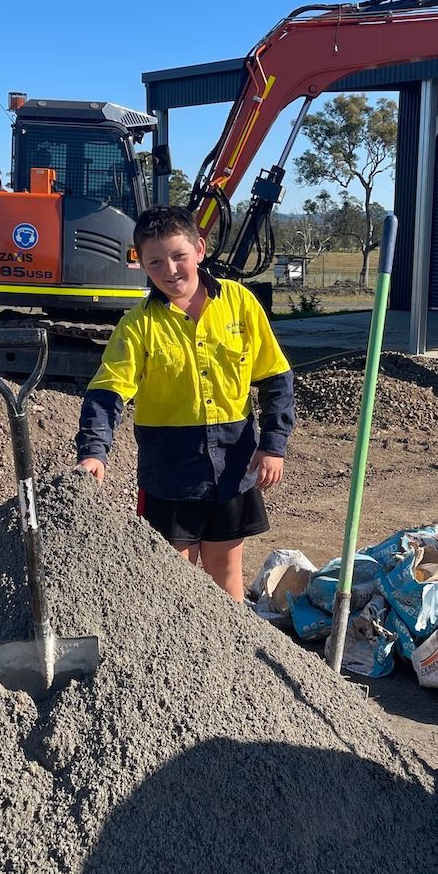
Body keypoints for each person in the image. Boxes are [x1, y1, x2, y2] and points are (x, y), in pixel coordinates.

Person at [76, 205, 295, 601]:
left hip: (234, 466)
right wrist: (95, 452)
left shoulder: (240, 304)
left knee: (227, 575)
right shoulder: (138, 325)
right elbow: (108, 392)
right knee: (169, 581)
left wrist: (273, 445)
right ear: (141, 263)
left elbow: (275, 378)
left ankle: (231, 654)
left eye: (178, 256)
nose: (170, 269)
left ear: (199, 248)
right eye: (155, 261)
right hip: (170, 472)